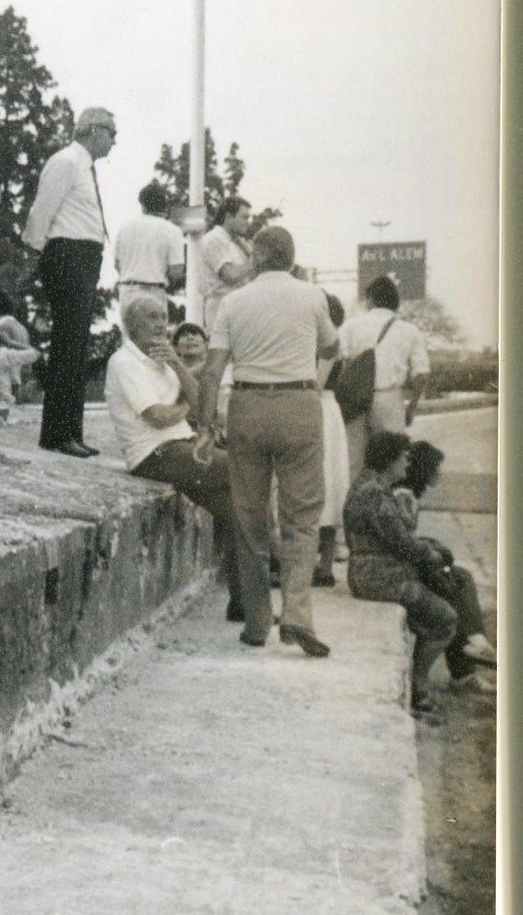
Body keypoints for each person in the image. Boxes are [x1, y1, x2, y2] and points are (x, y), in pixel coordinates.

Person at [198, 225, 339, 655]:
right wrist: (311, 370)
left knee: (249, 516)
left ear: (255, 258)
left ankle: (257, 622)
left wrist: (205, 428)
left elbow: (212, 369)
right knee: (302, 515)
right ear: (292, 260)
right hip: (298, 406)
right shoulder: (312, 296)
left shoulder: (233, 302)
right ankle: (297, 616)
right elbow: (332, 348)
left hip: (249, 407)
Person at [106, 298, 263, 628]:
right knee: (246, 472)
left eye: (164, 317)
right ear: (131, 325)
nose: (161, 324)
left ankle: (244, 601)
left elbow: (199, 400)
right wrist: (183, 407)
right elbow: (159, 417)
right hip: (154, 453)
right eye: (151, 317)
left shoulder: (162, 361)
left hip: (182, 447)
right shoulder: (123, 362)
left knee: (238, 507)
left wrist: (177, 366)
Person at [343, 432, 495, 712]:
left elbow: (398, 538)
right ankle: (420, 686)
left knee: (450, 587)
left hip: (382, 571)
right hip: (380, 577)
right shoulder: (374, 495)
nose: (406, 464)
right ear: (389, 461)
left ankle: (464, 656)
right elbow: (402, 543)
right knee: (445, 618)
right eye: (403, 458)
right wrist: (433, 554)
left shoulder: (373, 487)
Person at [21, 108, 116, 456]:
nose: (114, 140)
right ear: (92, 130)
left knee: (76, 345)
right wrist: (32, 253)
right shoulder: (66, 161)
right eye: (111, 132)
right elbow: (42, 209)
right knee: (68, 342)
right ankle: (56, 434)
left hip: (85, 256)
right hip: (67, 254)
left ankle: (71, 432)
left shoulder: (83, 166)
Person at [339, 276, 430, 484]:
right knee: (391, 462)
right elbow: (422, 374)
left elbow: (337, 361)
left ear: (370, 299)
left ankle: (352, 509)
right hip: (390, 399)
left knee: (353, 462)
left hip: (355, 401)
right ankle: (387, 511)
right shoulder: (410, 331)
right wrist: (411, 407)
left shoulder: (351, 326)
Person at [313, 292, 352, 587]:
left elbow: (315, 385)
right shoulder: (335, 340)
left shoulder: (325, 343)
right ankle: (324, 564)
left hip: (319, 410)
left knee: (320, 481)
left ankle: (322, 564)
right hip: (330, 410)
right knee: (330, 485)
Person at [114, 182, 187, 316]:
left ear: (142, 205)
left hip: (127, 290)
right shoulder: (173, 231)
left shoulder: (124, 228)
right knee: (153, 335)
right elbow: (176, 272)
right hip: (154, 290)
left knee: (130, 336)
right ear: (165, 205)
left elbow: (118, 265)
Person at [195, 196, 252, 325]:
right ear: (228, 217)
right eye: (244, 217)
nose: (248, 222)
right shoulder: (214, 239)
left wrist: (250, 251)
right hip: (221, 307)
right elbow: (230, 275)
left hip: (238, 306)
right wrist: (256, 262)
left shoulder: (235, 242)